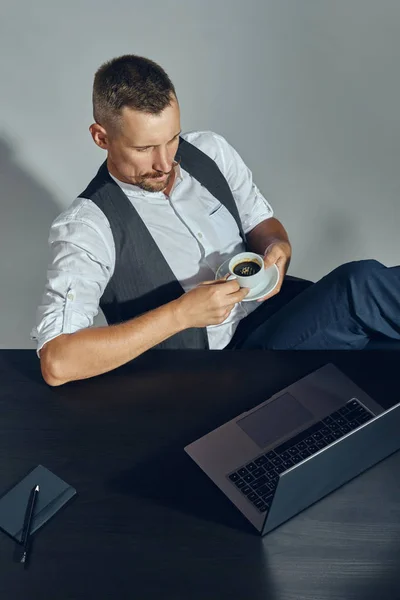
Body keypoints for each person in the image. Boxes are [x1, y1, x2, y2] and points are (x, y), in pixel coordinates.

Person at [31, 54, 400, 387]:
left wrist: (277, 248)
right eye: (144, 149)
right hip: (220, 367)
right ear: (101, 137)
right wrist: (181, 314)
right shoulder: (87, 225)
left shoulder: (210, 151)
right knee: (360, 287)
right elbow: (58, 362)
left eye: (171, 138)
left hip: (284, 312)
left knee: (385, 346)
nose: (164, 162)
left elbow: (263, 224)